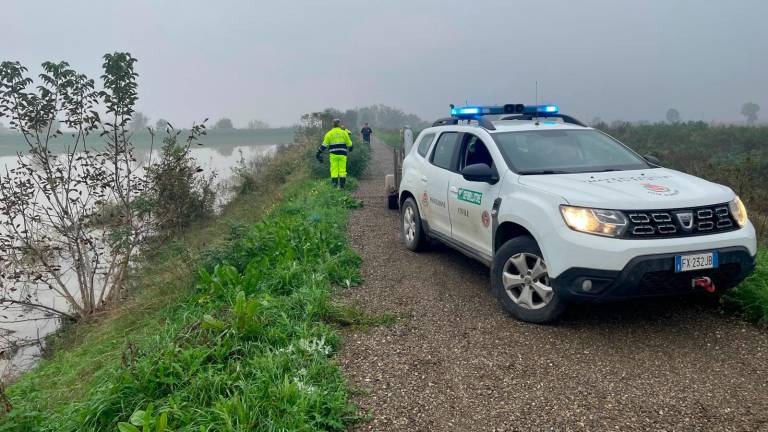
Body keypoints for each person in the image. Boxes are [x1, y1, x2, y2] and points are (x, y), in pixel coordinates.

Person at [316, 119, 353, 188]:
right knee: (342, 170)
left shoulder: (329, 134)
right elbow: (349, 143)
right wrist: (350, 148)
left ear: (332, 124)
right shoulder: (344, 132)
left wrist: (318, 153)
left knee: (334, 170)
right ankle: (342, 186)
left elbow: (324, 145)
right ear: (339, 124)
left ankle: (335, 185)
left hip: (333, 155)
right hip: (342, 154)